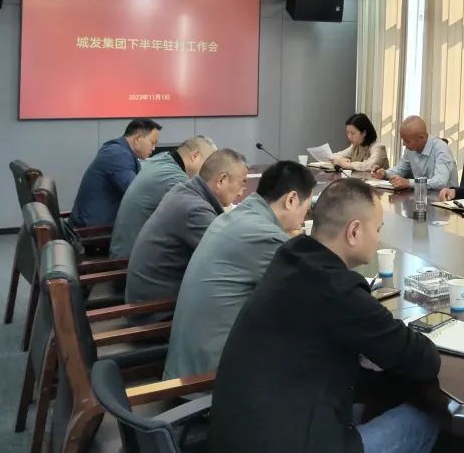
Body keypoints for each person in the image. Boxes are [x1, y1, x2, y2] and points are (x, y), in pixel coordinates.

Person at [211, 178, 441, 453]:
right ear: (354, 232)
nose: (378, 237)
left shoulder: (290, 257)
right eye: (377, 229)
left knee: (374, 401)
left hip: (241, 437)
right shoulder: (338, 290)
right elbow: (423, 360)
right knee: (425, 420)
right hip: (288, 450)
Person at [163, 160, 316, 380]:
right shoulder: (265, 236)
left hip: (187, 364)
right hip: (207, 381)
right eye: (306, 208)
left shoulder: (237, 216)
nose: (304, 217)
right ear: (291, 199)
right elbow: (311, 294)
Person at [124, 148, 249, 306]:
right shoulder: (195, 209)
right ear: (221, 180)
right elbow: (230, 258)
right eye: (242, 184)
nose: (241, 194)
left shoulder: (185, 191)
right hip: (156, 308)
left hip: (150, 295)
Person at [110, 135, 216, 258]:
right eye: (208, 166)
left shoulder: (161, 159)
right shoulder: (175, 179)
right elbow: (203, 221)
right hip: (130, 260)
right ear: (195, 156)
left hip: (126, 249)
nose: (208, 173)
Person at [69, 118, 162, 227]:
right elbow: (137, 194)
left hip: (95, 223)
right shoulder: (118, 155)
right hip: (94, 230)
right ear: (138, 138)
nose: (153, 148)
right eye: (152, 143)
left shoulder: (118, 150)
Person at [372, 115, 457, 192]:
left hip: (444, 200)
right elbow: (401, 170)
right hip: (420, 196)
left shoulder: (441, 149)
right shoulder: (410, 149)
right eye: (403, 140)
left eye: (407, 141)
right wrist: (385, 173)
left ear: (421, 137)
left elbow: (440, 182)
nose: (404, 144)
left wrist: (409, 182)